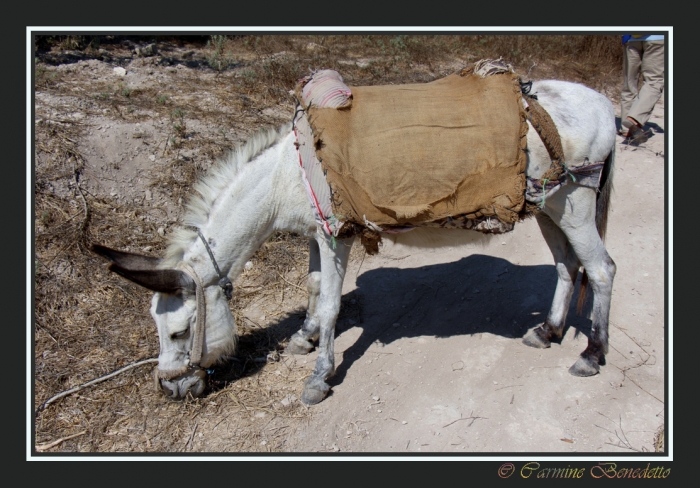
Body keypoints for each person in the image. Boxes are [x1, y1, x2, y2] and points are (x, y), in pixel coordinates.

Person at [620, 34, 665, 145]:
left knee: (629, 83)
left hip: (631, 37)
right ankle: (634, 118)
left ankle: (627, 129)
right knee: (654, 81)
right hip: (657, 37)